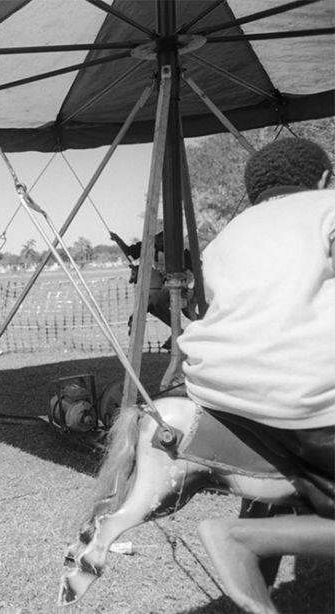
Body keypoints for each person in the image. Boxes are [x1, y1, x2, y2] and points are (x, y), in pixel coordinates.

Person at [176, 137, 334, 613]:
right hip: (302, 396)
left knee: (281, 469)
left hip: (219, 397)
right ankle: (243, 539)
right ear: (324, 179)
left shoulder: (228, 235)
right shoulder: (327, 206)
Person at [110, 224, 194, 347]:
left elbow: (193, 268)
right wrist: (117, 239)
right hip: (168, 282)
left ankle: (179, 332)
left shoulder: (177, 250)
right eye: (156, 237)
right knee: (154, 307)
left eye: (160, 237)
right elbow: (130, 252)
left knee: (159, 304)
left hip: (180, 281)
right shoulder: (150, 246)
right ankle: (179, 331)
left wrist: (190, 285)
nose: (158, 240)